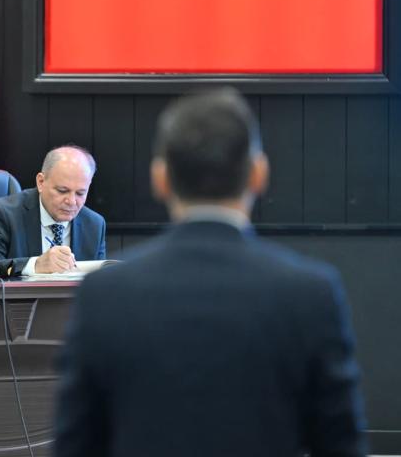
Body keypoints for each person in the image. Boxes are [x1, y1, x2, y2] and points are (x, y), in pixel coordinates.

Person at [54, 89, 367, 457]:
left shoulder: (103, 295)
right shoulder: (311, 293)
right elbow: (341, 445)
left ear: (160, 178)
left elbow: (75, 446)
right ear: (259, 174)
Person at [0, 145, 106, 275]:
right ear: (41, 182)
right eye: (62, 191)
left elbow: (100, 279)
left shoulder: (94, 224)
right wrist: (36, 265)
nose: (71, 201)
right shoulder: (4, 213)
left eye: (80, 193)